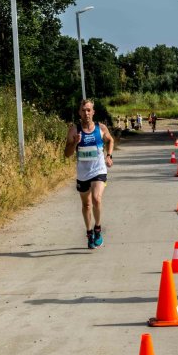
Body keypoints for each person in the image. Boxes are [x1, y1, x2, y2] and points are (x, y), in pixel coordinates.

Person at [64, 99, 114, 249]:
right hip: (83, 173)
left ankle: (98, 229)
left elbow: (110, 140)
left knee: (96, 199)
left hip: (99, 169)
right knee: (86, 204)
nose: (86, 113)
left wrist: (109, 156)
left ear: (93, 112)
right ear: (79, 112)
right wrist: (74, 143)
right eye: (83, 110)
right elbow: (67, 154)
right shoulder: (74, 130)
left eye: (88, 110)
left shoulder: (101, 128)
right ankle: (89, 232)